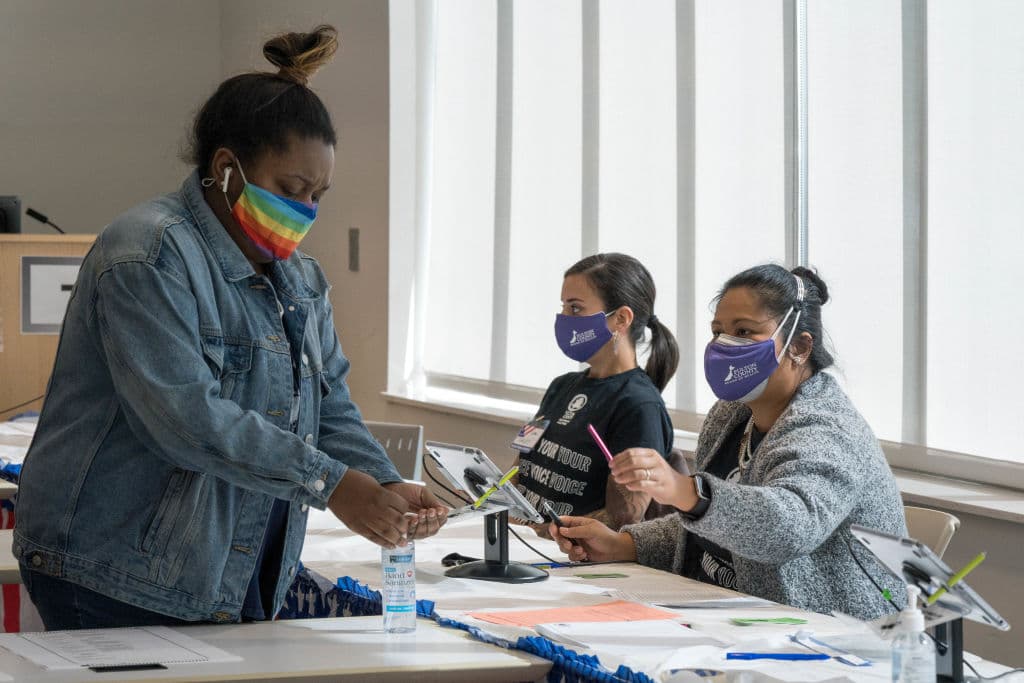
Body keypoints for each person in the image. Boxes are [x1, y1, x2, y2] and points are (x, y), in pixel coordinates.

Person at [13, 25, 446, 630]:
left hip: (235, 567)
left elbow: (331, 408)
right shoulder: (147, 254)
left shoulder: (300, 279)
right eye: (292, 190)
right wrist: (333, 485)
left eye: (319, 195)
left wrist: (382, 484)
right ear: (226, 169)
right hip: (116, 569)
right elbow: (185, 418)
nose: (307, 212)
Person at [550, 264, 907, 620]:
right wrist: (622, 544)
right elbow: (710, 525)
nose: (724, 345)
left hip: (825, 638)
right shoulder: (732, 413)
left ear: (799, 346)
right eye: (718, 331)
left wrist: (687, 490)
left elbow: (787, 529)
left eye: (744, 332)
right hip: (715, 610)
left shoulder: (829, 430)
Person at [514, 253, 678, 537]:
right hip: (518, 542)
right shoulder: (561, 386)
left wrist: (541, 532)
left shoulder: (639, 404)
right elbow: (521, 468)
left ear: (621, 319)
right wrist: (487, 497)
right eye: (563, 307)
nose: (564, 319)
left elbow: (624, 519)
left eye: (576, 309)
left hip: (569, 560)